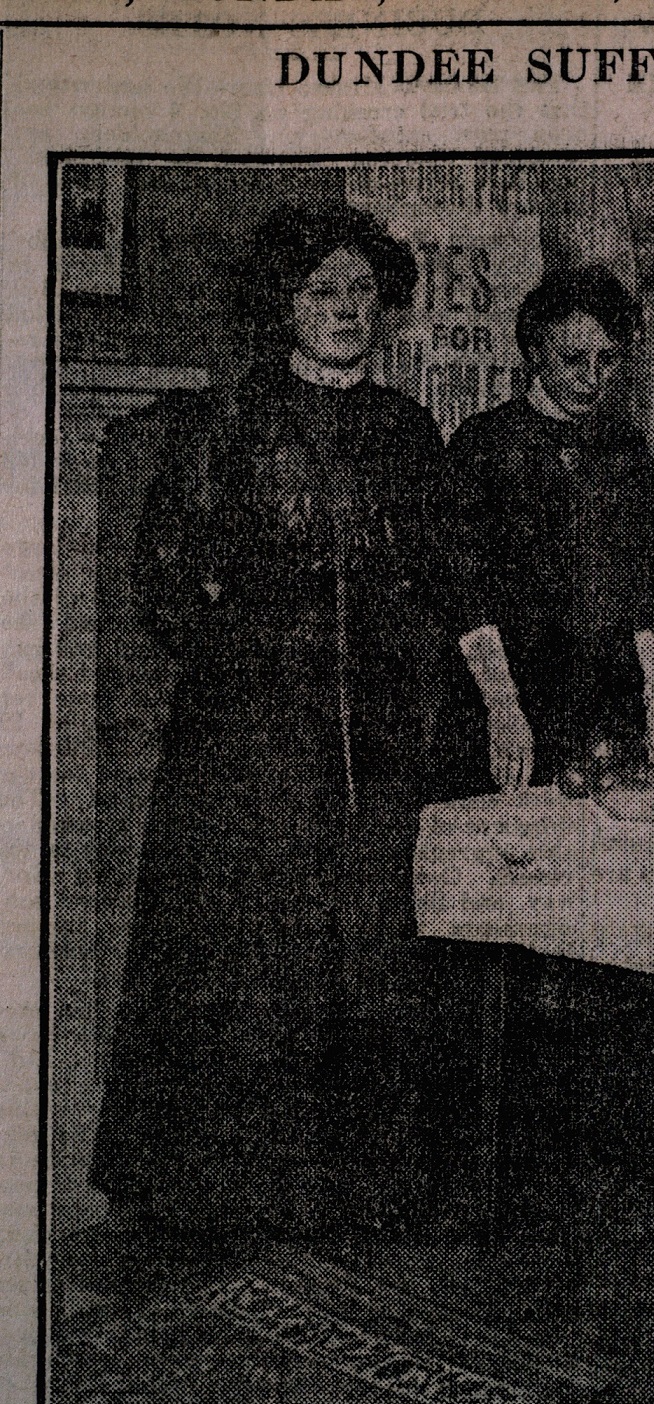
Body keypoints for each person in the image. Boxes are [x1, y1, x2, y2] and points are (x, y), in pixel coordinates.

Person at [91, 203, 447, 1237]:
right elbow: (163, 581)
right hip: (246, 745)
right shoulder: (233, 421)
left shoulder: (404, 428)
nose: (344, 311)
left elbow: (433, 579)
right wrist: (244, 673)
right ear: (283, 306)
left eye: (361, 295)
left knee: (366, 953)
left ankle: (351, 1196)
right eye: (321, 293)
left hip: (372, 740)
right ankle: (229, 1199)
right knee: (249, 958)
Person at [432, 264, 654, 796]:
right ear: (536, 354)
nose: (593, 378)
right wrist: (502, 705)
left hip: (608, 720)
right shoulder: (483, 444)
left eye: (608, 360)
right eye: (574, 360)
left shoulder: (629, 451)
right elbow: (461, 589)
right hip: (506, 711)